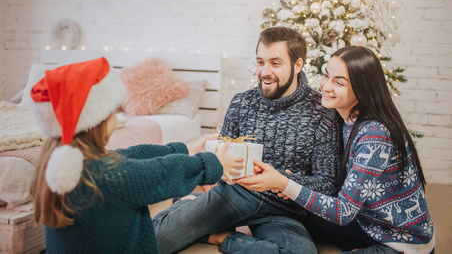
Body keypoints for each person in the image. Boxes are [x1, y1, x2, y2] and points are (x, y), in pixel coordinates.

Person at [153, 26, 342, 254]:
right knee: (155, 240)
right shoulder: (242, 102)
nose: (264, 71)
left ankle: (221, 237)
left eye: (275, 63)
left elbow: (328, 185)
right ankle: (188, 205)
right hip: (235, 195)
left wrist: (282, 181)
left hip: (283, 210)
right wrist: (218, 169)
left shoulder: (323, 113)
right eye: (260, 62)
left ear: (298, 65)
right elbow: (221, 162)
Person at [29, 57, 244, 254]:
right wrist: (214, 163)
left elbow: (130, 154)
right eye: (113, 112)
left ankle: (185, 203)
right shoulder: (112, 177)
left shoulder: (61, 164)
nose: (118, 117)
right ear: (96, 124)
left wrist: (183, 150)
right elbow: (165, 173)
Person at [241, 46, 435, 254]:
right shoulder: (346, 118)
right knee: (294, 212)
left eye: (339, 82)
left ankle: (227, 239)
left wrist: (285, 183)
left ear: (362, 89)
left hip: (401, 243)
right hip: (365, 224)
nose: (326, 86)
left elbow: (343, 212)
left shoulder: (376, 135)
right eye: (326, 75)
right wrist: (290, 184)